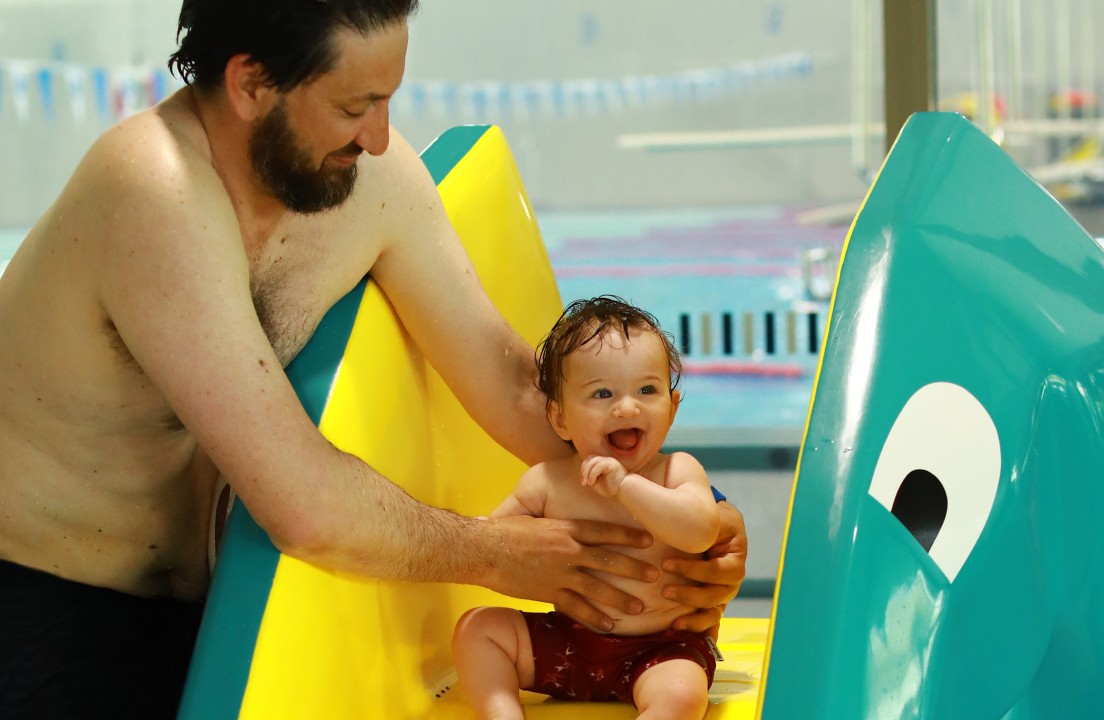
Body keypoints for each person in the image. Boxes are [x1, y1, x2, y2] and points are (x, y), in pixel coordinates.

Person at [0, 2, 746, 717]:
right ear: (251, 83)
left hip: (220, 608)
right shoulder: (150, 190)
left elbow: (524, 390)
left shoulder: (367, 181)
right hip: (44, 605)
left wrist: (694, 525)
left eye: (388, 99)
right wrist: (497, 553)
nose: (383, 137)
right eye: (355, 106)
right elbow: (301, 503)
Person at [453, 296, 723, 720]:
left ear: (672, 409)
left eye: (647, 390)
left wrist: (627, 486)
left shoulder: (678, 471)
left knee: (682, 693)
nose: (628, 406)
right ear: (560, 420)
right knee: (477, 629)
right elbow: (495, 543)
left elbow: (700, 531)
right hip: (567, 643)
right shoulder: (546, 481)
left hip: (660, 650)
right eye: (602, 393)